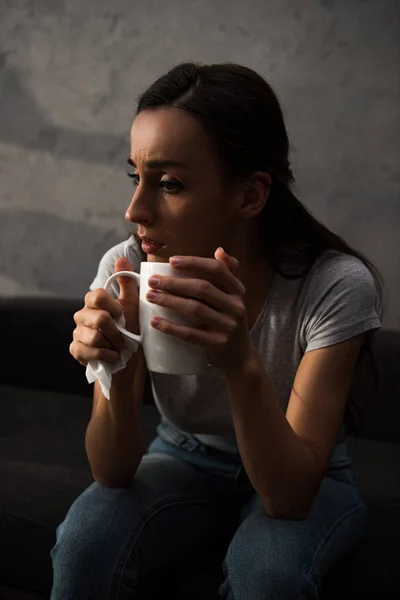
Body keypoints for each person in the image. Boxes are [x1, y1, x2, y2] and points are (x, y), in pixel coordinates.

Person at [50, 62, 383, 600]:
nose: (135, 209)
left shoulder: (334, 285)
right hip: (182, 455)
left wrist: (240, 362)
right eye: (136, 178)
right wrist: (114, 361)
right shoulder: (127, 267)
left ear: (250, 196)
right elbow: (111, 470)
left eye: (171, 184)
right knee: (86, 540)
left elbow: (289, 499)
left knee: (270, 574)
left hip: (302, 474)